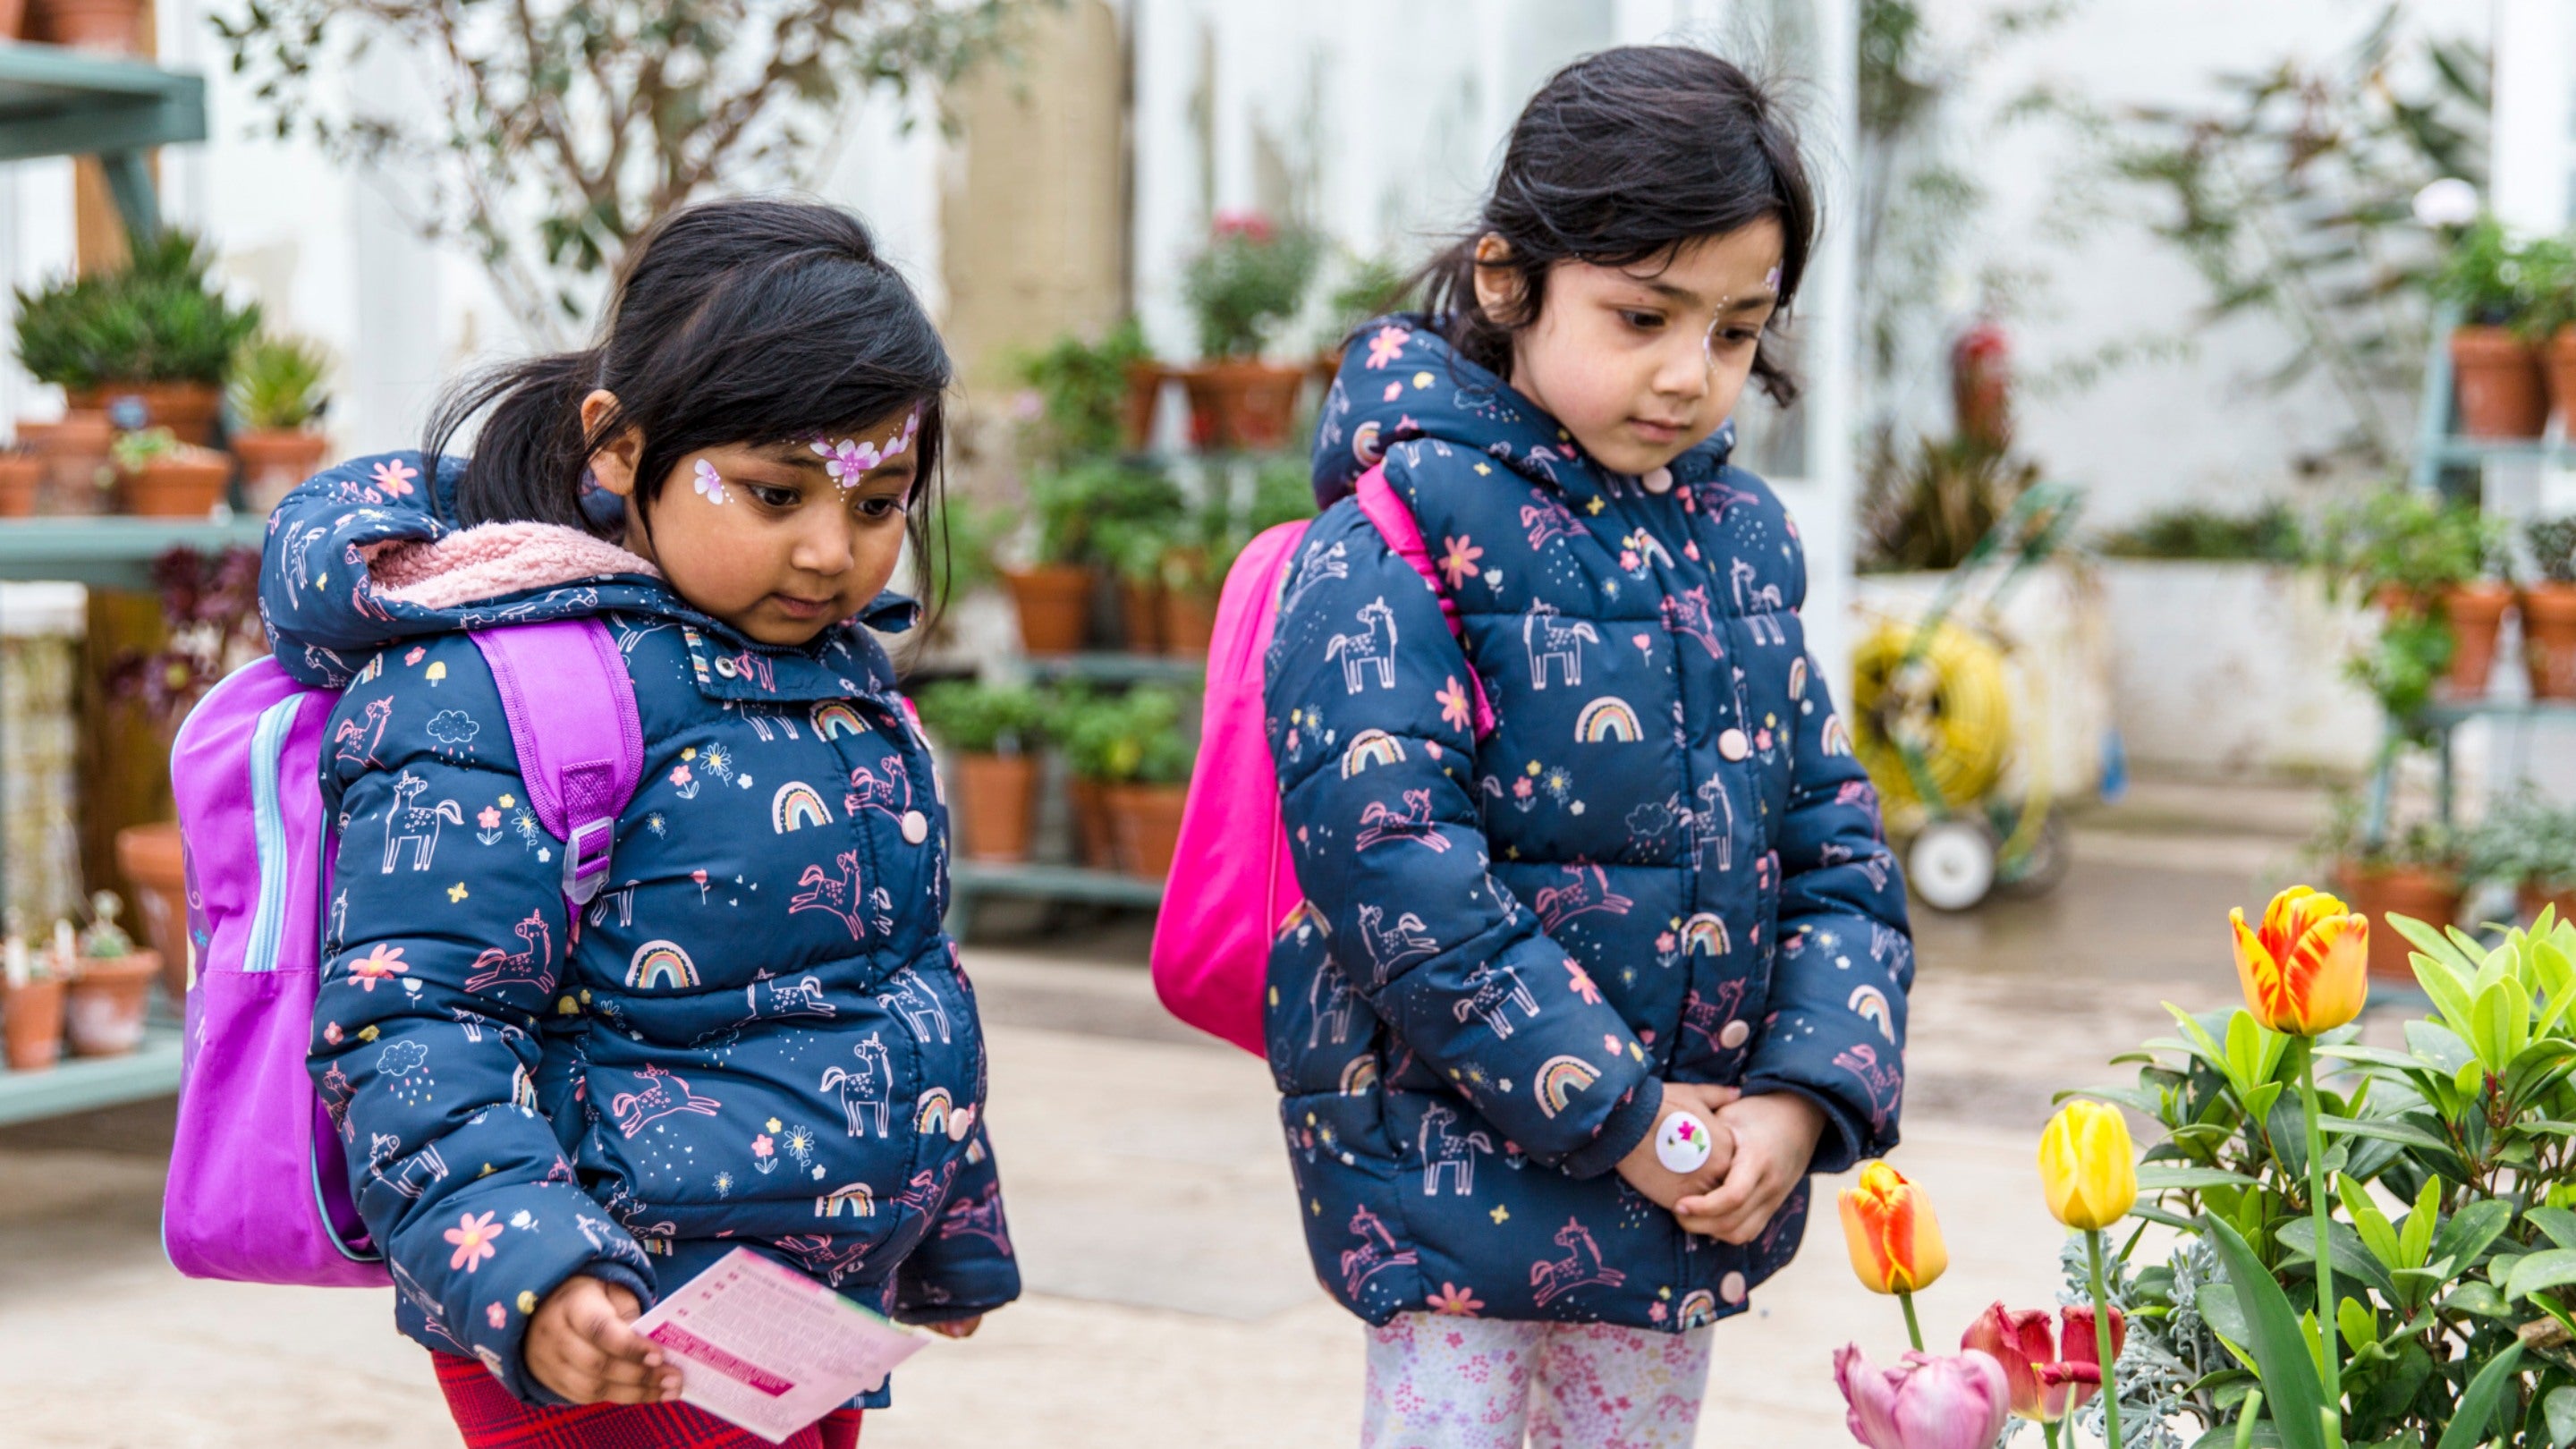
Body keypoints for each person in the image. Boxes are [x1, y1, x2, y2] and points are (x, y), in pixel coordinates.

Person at [261, 197, 1015, 1449]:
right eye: (776, 495)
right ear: (619, 448)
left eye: (879, 504)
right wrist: (537, 1273)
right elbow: (413, 1021)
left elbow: (890, 974)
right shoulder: (497, 687)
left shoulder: (838, 682)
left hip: (797, 1311)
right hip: (606, 1317)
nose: (832, 552)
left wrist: (951, 1228)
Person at [1267, 47, 1913, 1447]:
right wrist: (1631, 1118)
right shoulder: (1395, 531)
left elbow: (1836, 849)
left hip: (1676, 1200)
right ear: (1509, 280)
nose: (1690, 375)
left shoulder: (1739, 547)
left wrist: (1801, 1106)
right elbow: (1396, 876)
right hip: (1454, 1193)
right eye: (1642, 316)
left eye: (1737, 331)